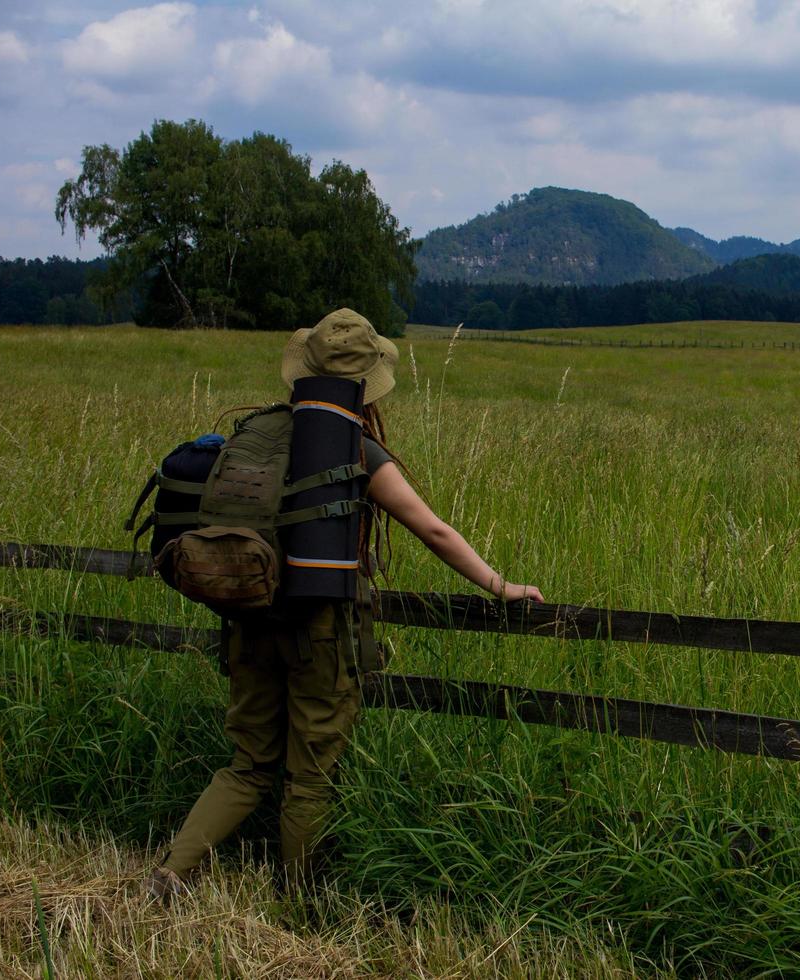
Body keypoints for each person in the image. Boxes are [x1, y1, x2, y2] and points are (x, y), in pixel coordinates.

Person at [149, 308, 542, 898]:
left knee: (248, 764)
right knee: (308, 778)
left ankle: (171, 873)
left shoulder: (251, 433)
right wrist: (499, 585)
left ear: (301, 372)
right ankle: (298, 905)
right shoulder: (358, 451)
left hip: (247, 619)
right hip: (321, 633)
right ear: (365, 385)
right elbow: (432, 531)